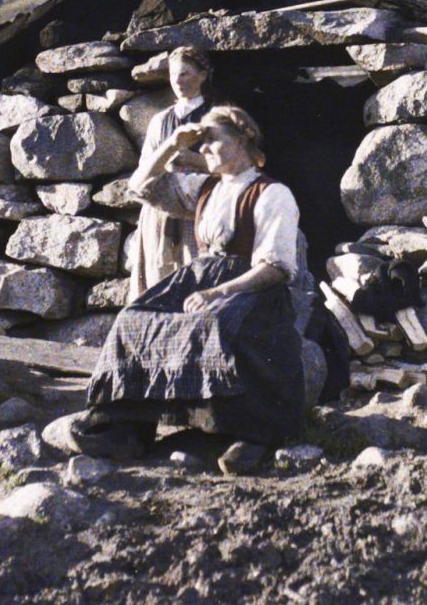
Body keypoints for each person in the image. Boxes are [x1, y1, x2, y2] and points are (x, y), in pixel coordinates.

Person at [70, 103, 308, 474]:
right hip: (200, 277)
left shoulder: (272, 194)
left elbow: (275, 268)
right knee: (134, 319)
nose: (204, 150)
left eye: (213, 141)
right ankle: (129, 427)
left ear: (242, 141)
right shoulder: (206, 189)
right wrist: (170, 146)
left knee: (215, 326)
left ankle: (247, 432)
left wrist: (218, 293)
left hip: (253, 290)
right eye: (202, 144)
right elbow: (141, 187)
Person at [125, 45, 215, 300]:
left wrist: (193, 159)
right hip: (160, 206)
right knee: (159, 276)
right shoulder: (160, 120)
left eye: (186, 73)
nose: (178, 80)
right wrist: (164, 160)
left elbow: (234, 166)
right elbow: (144, 169)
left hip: (198, 206)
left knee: (195, 273)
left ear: (203, 75)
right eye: (174, 74)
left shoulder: (216, 117)